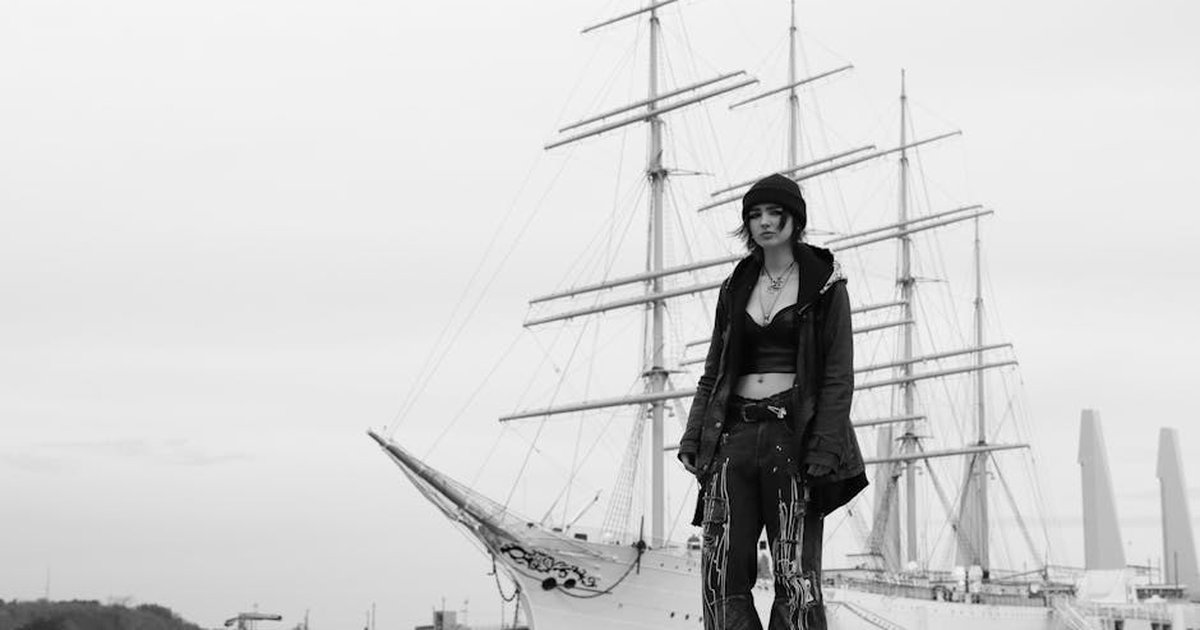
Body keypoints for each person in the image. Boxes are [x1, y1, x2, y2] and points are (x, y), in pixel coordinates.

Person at [677, 173, 868, 630]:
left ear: (794, 219)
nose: (763, 223)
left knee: (794, 573)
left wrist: (825, 447)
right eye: (754, 215)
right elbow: (714, 371)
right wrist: (694, 436)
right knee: (721, 572)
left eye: (773, 213)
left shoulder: (826, 285)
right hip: (735, 438)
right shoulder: (735, 286)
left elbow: (838, 378)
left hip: (794, 437)